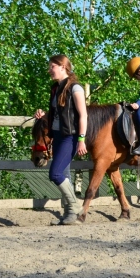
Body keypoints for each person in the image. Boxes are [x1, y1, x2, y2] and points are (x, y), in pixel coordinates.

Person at [33, 54, 88, 226]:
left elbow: (83, 115)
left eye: (52, 67)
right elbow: (59, 114)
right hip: (57, 136)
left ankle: (75, 207)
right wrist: (44, 115)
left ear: (62, 67)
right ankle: (70, 215)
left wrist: (81, 140)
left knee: (55, 173)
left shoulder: (75, 88)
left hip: (69, 137)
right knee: (64, 174)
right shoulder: (55, 88)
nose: (50, 70)